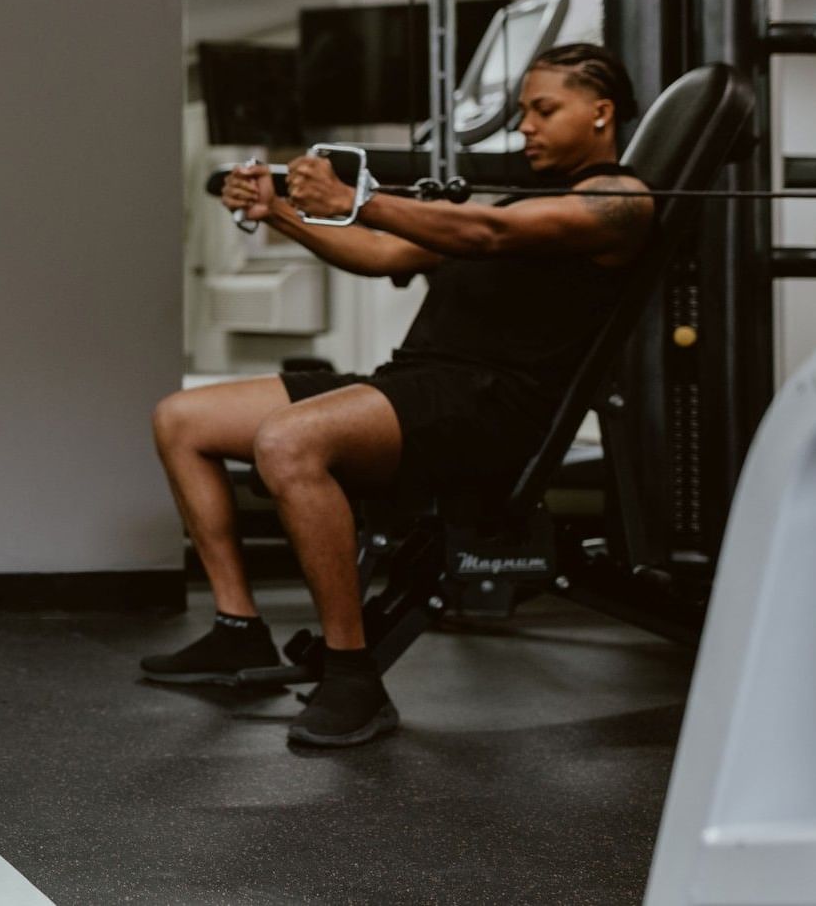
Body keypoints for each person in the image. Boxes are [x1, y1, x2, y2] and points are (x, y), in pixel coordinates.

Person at [144, 44, 653, 749]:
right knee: (181, 419)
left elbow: (483, 231)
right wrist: (280, 212)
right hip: (414, 385)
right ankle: (238, 630)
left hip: (488, 407)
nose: (526, 127)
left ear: (599, 112)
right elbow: (383, 254)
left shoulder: (620, 202)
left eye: (543, 110)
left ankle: (352, 675)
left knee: (287, 439)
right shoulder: (523, 200)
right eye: (521, 113)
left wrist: (358, 199)